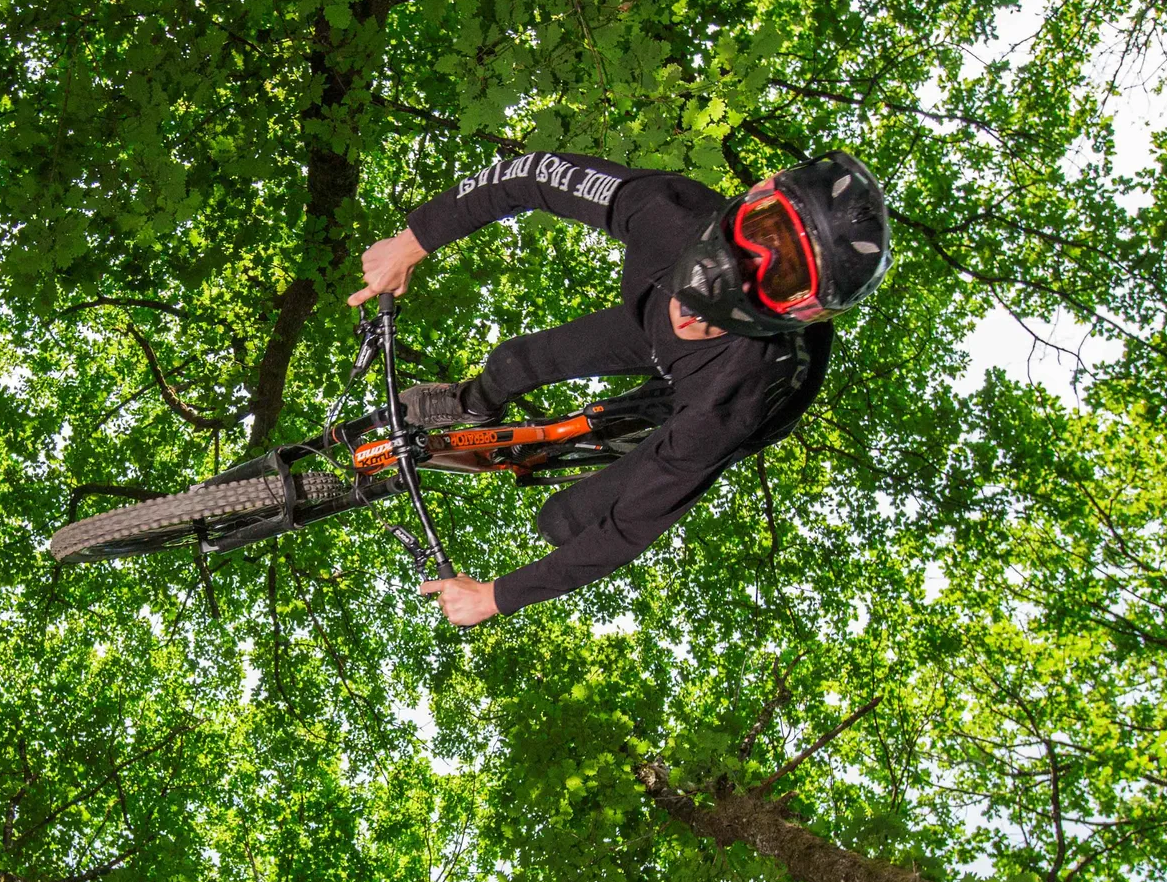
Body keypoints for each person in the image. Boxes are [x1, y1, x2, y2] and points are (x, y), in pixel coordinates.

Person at [348, 149, 891, 626]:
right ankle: (470, 405)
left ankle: (637, 429)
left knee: (564, 522)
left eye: (713, 317)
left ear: (796, 314)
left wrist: (496, 596)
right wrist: (414, 241)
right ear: (754, 196)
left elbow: (630, 527)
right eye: (761, 233)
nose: (687, 317)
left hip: (719, 394)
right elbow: (534, 174)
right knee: (513, 362)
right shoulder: (666, 212)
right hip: (648, 330)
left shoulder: (731, 400)